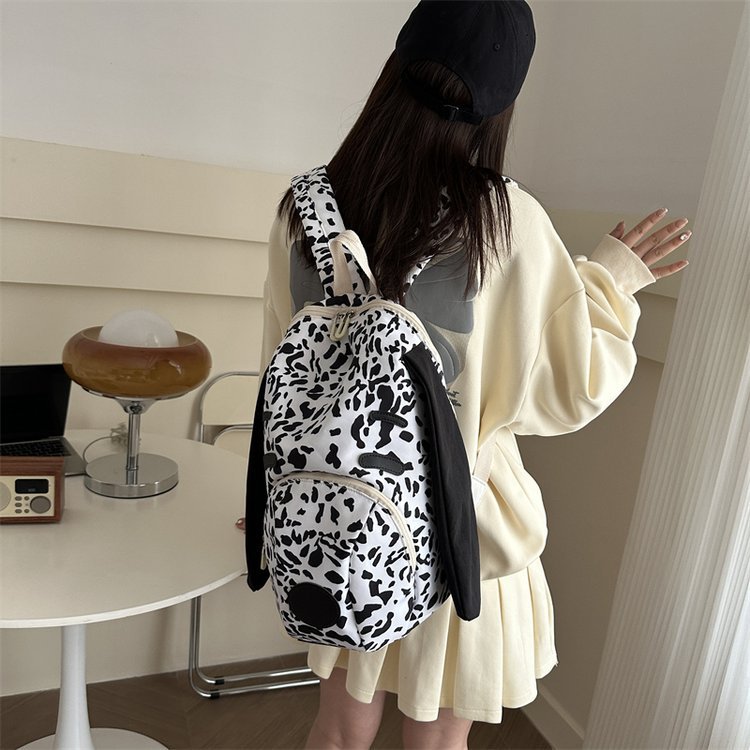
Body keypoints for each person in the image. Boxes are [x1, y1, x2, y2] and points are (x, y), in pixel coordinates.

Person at [243, 1, 690, 747]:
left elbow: (278, 370)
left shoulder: (304, 210)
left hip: (339, 519)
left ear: (397, 64)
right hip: (461, 527)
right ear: (501, 104)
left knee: (341, 724)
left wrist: (275, 481)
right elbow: (567, 387)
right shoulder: (504, 222)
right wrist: (611, 280)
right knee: (436, 738)